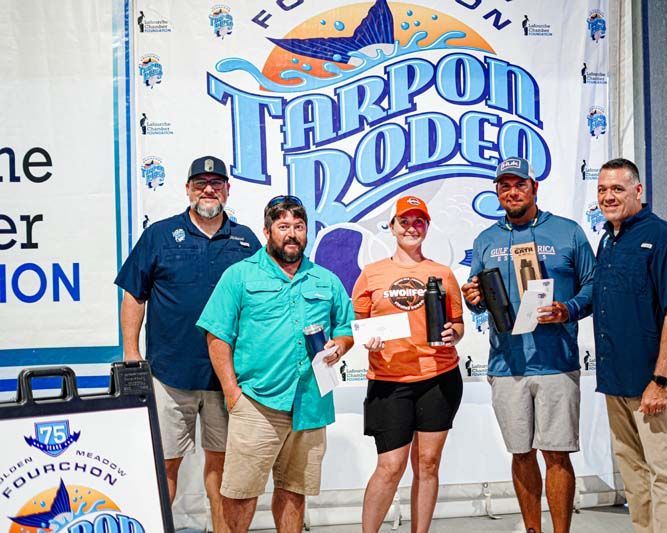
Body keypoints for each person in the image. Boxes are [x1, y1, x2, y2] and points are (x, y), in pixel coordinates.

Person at [114, 155, 260, 532]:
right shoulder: (159, 235)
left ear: (228, 189)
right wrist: (132, 354)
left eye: (216, 183)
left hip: (227, 378)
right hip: (169, 375)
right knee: (164, 465)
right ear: (187, 189)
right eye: (200, 183)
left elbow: (263, 303)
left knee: (224, 469)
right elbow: (134, 294)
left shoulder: (246, 241)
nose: (208, 190)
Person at [197, 196, 355, 533]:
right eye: (283, 227)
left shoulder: (325, 279)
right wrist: (232, 393)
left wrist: (341, 344)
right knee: (240, 495)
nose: (292, 234)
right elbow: (217, 336)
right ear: (267, 231)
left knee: (294, 491)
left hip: (311, 403)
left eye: (299, 227)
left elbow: (345, 326)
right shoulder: (239, 275)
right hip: (257, 403)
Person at [461, 157, 595, 533]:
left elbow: (593, 287)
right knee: (521, 454)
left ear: (534, 187)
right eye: (504, 186)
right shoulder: (486, 240)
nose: (512, 191)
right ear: (497, 193)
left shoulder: (568, 232)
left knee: (557, 455)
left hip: (557, 362)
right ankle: (533, 529)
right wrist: (472, 296)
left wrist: (567, 310)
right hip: (507, 364)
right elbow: (478, 296)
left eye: (519, 184)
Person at [593, 158, 667, 533]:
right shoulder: (608, 239)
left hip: (650, 383)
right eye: (603, 189)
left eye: (617, 189)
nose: (608, 196)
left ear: (638, 191)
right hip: (615, 379)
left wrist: (661, 380)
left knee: (664, 473)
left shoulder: (662, 237)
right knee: (633, 471)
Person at [352, 196, 464, 533]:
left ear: (427, 228)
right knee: (390, 466)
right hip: (389, 381)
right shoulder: (371, 274)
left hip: (438, 377)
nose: (411, 227)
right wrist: (365, 338)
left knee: (427, 464)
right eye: (405, 221)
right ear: (392, 227)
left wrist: (452, 335)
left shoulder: (442, 273)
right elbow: (355, 325)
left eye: (419, 221)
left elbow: (457, 324)